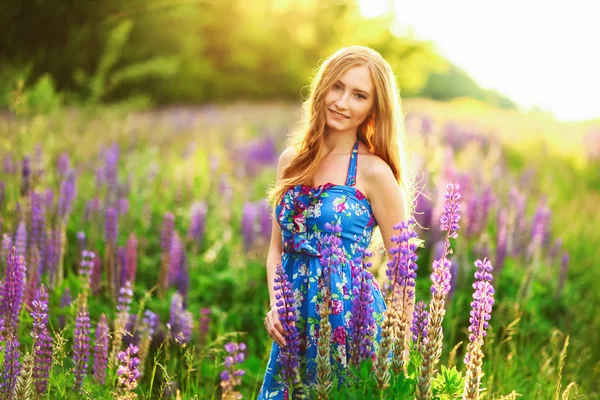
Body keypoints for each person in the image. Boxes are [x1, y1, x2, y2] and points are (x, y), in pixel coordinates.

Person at [257, 45, 414, 399]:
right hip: (294, 322)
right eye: (337, 87)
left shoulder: (376, 172)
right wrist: (276, 304)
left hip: (352, 326)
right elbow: (276, 249)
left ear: (373, 108)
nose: (343, 102)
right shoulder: (291, 162)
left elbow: (404, 273)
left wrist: (402, 352)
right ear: (323, 88)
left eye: (359, 95)